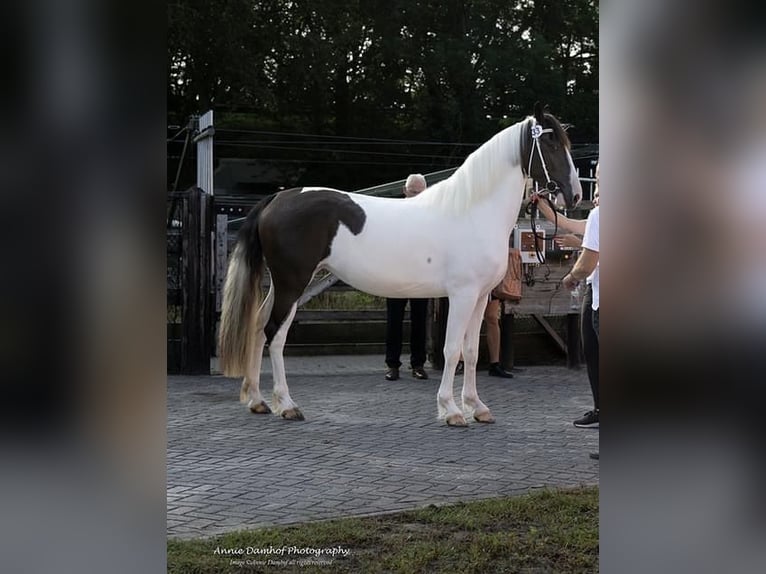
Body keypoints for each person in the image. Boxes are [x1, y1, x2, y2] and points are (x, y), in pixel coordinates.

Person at [536, 165, 600, 430]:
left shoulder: (601, 214)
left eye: (598, 183)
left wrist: (571, 277)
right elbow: (573, 225)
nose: (595, 191)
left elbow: (587, 262)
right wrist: (546, 209)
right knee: (593, 351)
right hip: (597, 290)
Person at [384, 174, 430, 381]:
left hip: (420, 275)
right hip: (397, 274)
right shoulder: (393, 213)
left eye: (419, 192)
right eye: (413, 192)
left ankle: (418, 364)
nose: (416, 195)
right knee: (394, 321)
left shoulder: (431, 214)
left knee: (420, 321)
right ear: (405, 191)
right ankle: (392, 364)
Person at [484, 298, 514, 377]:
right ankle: (460, 361)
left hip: (490, 287)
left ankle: (494, 364)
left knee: (492, 317)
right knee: (468, 318)